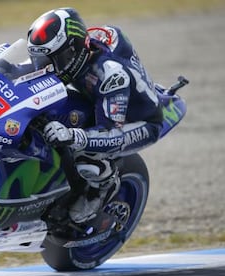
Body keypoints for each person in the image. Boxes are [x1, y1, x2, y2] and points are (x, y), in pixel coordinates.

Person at [27, 8, 163, 228]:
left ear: (75, 50)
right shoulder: (79, 48)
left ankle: (102, 188)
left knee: (87, 155)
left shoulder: (110, 76)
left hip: (137, 121)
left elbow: (111, 132)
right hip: (97, 100)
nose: (46, 68)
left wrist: (74, 135)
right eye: (41, 60)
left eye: (54, 60)